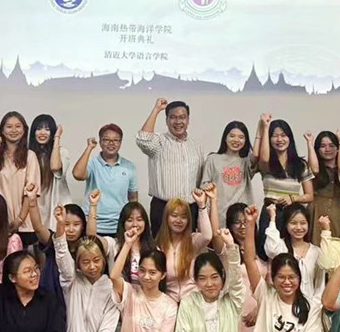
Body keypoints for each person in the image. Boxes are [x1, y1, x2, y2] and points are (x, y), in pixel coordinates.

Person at [241, 204, 323, 332]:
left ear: (299, 278)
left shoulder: (310, 308)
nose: (287, 282)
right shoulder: (266, 295)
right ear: (273, 278)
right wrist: (250, 223)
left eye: (292, 277)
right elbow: (250, 260)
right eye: (281, 277)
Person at [53, 204, 120, 332]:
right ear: (78, 264)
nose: (92, 266)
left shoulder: (111, 288)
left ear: (103, 260)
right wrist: (60, 225)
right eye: (85, 262)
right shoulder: (71, 281)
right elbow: (62, 257)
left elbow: (107, 329)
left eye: (96, 260)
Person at [136, 98, 205, 236]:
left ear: (188, 120)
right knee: (160, 248)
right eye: (173, 117)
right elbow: (143, 139)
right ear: (167, 120)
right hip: (163, 208)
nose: (178, 122)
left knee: (187, 248)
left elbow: (200, 179)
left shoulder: (195, 146)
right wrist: (156, 110)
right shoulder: (159, 141)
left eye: (182, 117)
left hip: (189, 208)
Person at [174, 228, 245, 332]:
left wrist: (230, 247)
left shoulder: (232, 302)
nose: (209, 284)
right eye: (202, 278)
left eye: (214, 277)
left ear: (222, 277)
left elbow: (236, 282)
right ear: (196, 280)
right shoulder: (187, 304)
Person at [111, 228, 178, 332]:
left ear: (163, 275)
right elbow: (114, 276)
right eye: (142, 270)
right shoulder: (129, 292)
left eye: (152, 272)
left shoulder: (170, 305)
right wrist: (127, 245)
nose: (146, 276)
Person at [210, 203, 267, 332]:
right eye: (237, 222)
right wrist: (213, 200)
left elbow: (270, 286)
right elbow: (215, 234)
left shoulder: (263, 250)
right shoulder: (228, 249)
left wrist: (259, 307)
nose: (242, 226)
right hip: (234, 315)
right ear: (230, 225)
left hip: (259, 316)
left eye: (245, 222)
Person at [257, 115, 314, 261]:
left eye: (283, 135)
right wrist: (265, 127)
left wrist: (293, 198)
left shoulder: (300, 165)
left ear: (290, 138)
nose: (279, 139)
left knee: (289, 254)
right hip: (270, 212)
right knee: (267, 253)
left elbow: (310, 196)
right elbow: (264, 158)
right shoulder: (266, 164)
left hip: (291, 215)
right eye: (274, 136)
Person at [0, 111, 41, 247]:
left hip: (24, 225)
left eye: (18, 126)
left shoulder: (30, 156)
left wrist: (19, 219)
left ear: (24, 130)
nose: (13, 130)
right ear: (2, 130)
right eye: (9, 127)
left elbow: (30, 192)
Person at [73, 124, 138, 237]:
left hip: (119, 225)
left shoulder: (129, 166)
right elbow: (77, 175)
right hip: (92, 224)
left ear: (120, 143)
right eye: (106, 140)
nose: (111, 143)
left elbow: (133, 198)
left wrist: (133, 222)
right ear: (100, 142)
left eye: (115, 140)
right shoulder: (92, 163)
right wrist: (89, 148)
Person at [24, 183, 87, 298]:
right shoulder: (54, 240)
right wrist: (32, 201)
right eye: (66, 224)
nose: (71, 229)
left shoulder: (86, 246)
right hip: (52, 293)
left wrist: (93, 206)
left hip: (78, 296)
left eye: (76, 224)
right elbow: (38, 228)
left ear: (83, 226)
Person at [155, 190, 213, 302]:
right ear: (166, 218)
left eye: (183, 217)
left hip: (193, 300)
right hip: (169, 301)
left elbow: (207, 236)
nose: (179, 220)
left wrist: (202, 206)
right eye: (174, 216)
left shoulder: (193, 240)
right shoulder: (158, 245)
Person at [87, 193, 158, 285]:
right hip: (119, 292)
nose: (135, 224)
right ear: (123, 223)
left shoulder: (154, 248)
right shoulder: (113, 244)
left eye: (139, 219)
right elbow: (92, 239)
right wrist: (93, 205)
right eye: (130, 220)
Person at [201, 120, 259, 224]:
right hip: (217, 215)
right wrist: (208, 187)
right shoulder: (212, 159)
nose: (236, 140)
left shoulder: (246, 161)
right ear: (225, 138)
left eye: (241, 137)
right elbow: (203, 185)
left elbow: (256, 155)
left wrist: (261, 127)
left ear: (246, 141)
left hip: (241, 218)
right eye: (232, 136)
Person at [264, 203, 325, 301]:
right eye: (293, 223)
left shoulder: (316, 252)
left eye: (303, 223)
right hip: (282, 305)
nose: (299, 227)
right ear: (286, 224)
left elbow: (320, 286)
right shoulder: (280, 247)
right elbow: (270, 249)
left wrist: (314, 307)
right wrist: (272, 218)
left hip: (309, 306)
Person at [29, 114, 70, 232]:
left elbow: (55, 166)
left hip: (55, 205)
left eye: (47, 129)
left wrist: (57, 137)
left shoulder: (62, 152)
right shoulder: (28, 154)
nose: (42, 133)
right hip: (35, 205)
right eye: (39, 129)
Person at [305, 130, 340, 245]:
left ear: (337, 149)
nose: (327, 149)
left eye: (331, 146)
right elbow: (314, 170)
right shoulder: (315, 167)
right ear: (317, 150)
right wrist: (309, 143)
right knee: (316, 245)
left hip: (338, 211)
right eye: (323, 146)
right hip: (316, 210)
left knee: (336, 246)